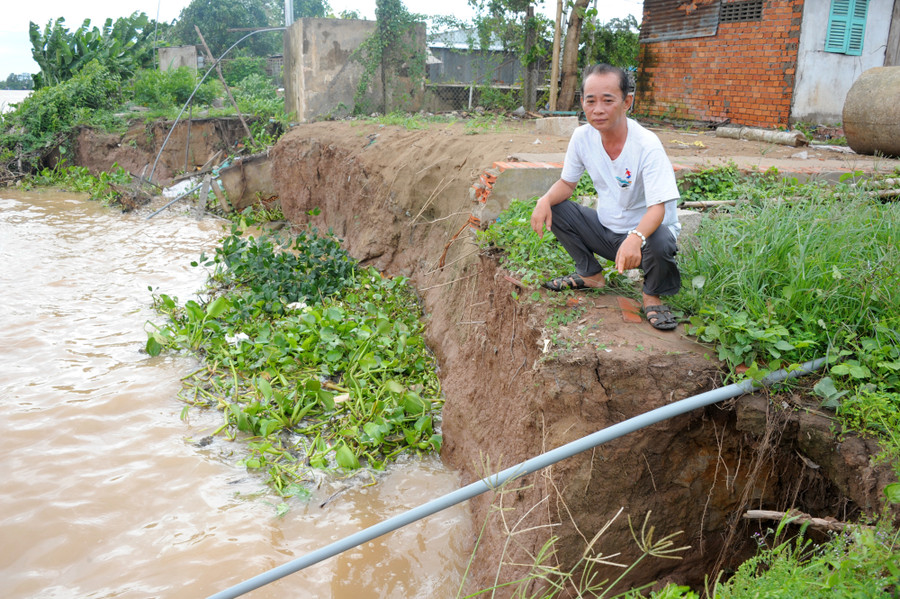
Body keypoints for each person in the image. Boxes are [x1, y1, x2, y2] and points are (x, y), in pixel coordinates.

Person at [530, 63, 681, 331]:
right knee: (559, 207)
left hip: (645, 240)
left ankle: (651, 295)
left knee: (660, 239)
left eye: (608, 100)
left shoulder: (647, 145)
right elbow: (567, 183)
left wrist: (636, 237)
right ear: (582, 103)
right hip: (607, 231)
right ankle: (591, 275)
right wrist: (544, 200)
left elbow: (658, 208)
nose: (598, 109)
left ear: (627, 102)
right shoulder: (582, 137)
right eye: (591, 101)